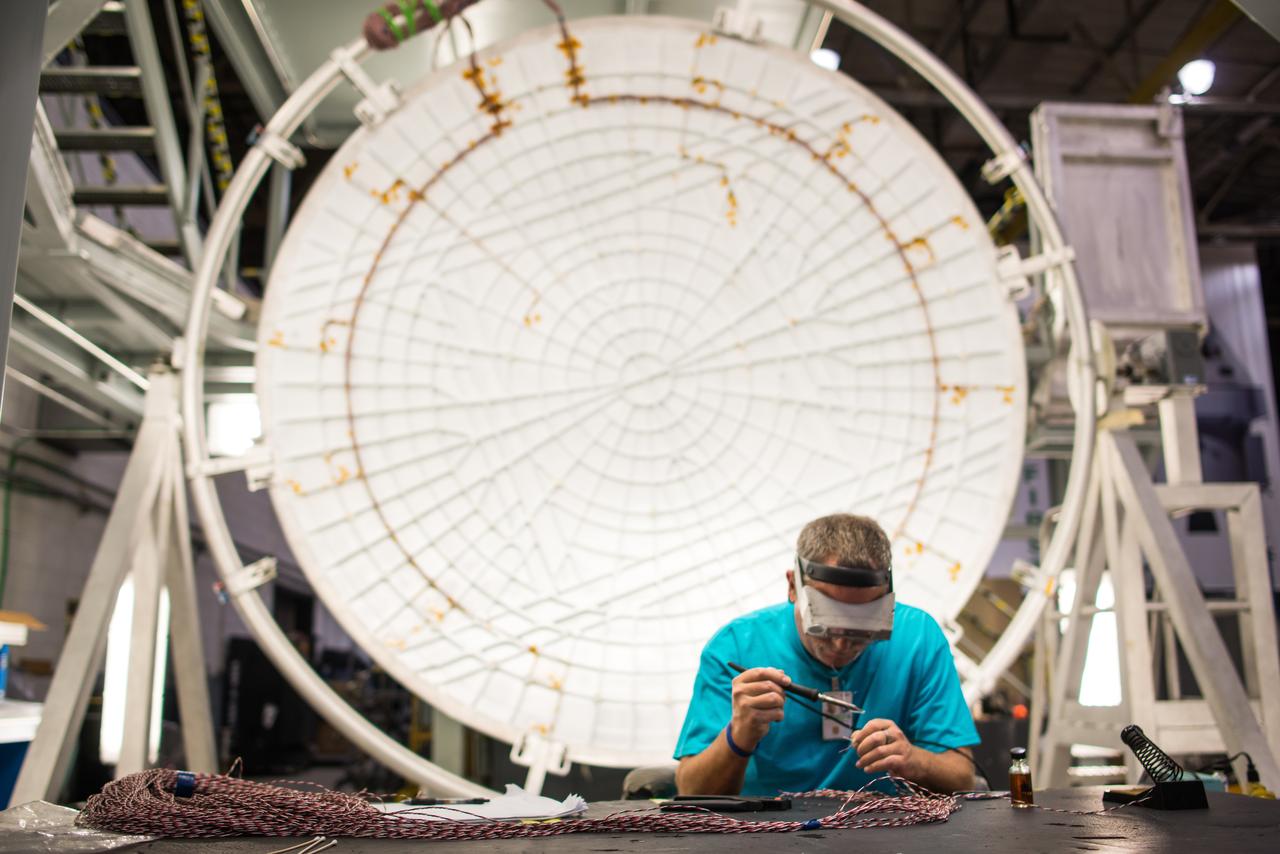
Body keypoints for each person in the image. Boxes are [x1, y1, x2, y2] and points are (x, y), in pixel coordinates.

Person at [673, 513, 978, 795]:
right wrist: (739, 734)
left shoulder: (918, 639)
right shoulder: (737, 646)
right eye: (826, 627)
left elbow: (962, 778)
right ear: (793, 586)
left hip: (883, 834)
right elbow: (691, 791)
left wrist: (913, 761)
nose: (841, 646)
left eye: (862, 629)